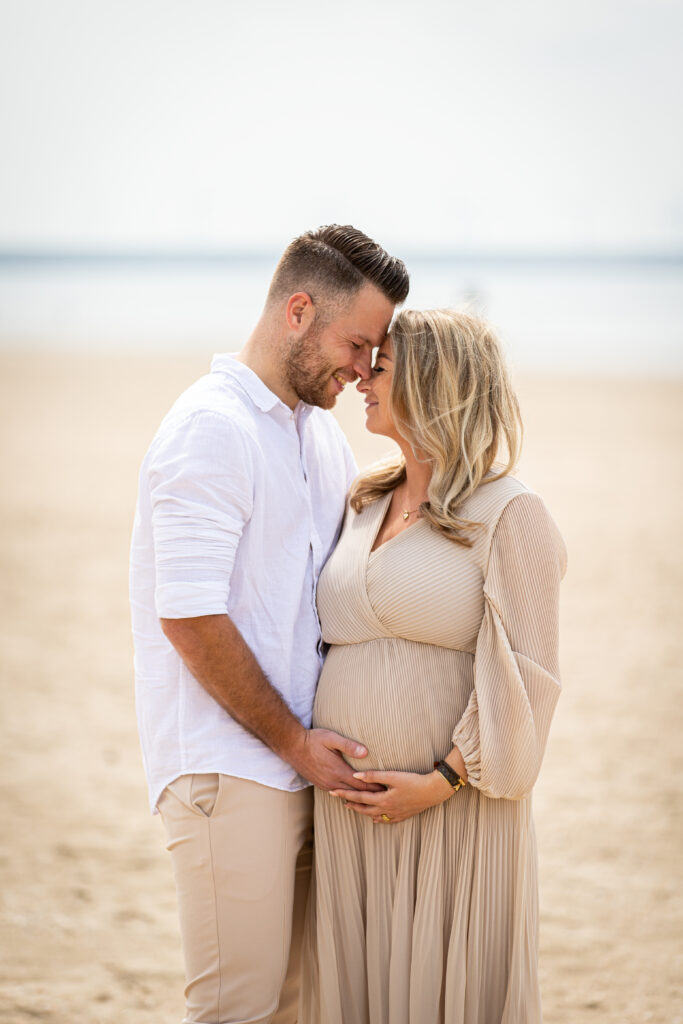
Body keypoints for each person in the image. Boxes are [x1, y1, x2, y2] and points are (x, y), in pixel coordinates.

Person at [129, 224, 409, 1024]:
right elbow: (188, 616)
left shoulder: (318, 434)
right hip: (229, 767)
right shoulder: (210, 428)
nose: (362, 369)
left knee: (291, 1009)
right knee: (237, 1009)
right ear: (297, 311)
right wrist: (293, 742)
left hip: (299, 765)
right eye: (355, 344)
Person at [300, 308, 567, 1024]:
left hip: (451, 811)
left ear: (429, 381)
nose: (360, 377)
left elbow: (529, 677)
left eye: (378, 367)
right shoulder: (362, 502)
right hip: (349, 815)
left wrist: (443, 779)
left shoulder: (510, 512)